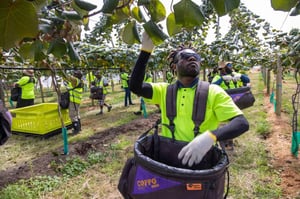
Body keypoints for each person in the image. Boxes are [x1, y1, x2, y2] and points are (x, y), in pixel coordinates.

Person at [130, 32, 249, 167]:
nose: (192, 58)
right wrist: (145, 52)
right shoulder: (164, 91)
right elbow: (135, 86)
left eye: (196, 57)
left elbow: (241, 123)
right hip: (170, 159)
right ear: (174, 66)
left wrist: (211, 136)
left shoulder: (213, 91)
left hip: (200, 159)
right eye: (185, 56)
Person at [211, 61, 251, 150]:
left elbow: (247, 80)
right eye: (228, 66)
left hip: (236, 101)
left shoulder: (234, 74)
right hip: (224, 103)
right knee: (225, 124)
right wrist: (222, 79)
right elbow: (212, 86)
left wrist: (240, 76)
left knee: (233, 123)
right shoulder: (217, 77)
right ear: (223, 68)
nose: (231, 67)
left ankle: (229, 142)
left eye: (231, 65)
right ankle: (225, 141)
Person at [63, 70, 84, 134]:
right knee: (77, 114)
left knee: (72, 115)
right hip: (77, 100)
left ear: (78, 76)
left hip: (74, 100)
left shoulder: (76, 80)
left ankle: (76, 130)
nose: (73, 75)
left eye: (75, 74)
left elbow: (67, 77)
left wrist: (60, 69)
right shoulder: (79, 81)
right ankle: (79, 128)